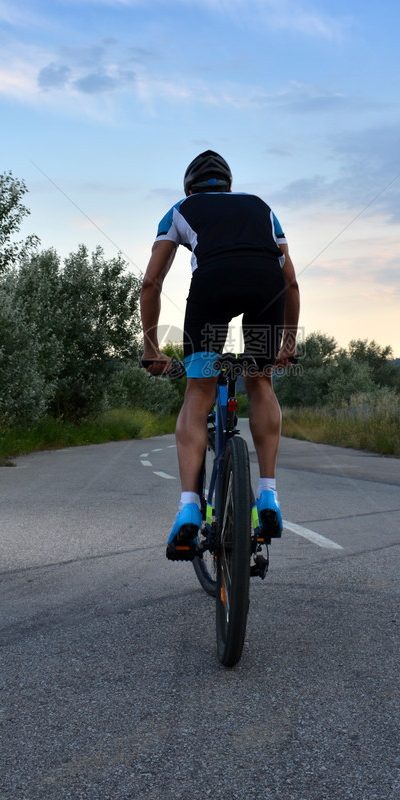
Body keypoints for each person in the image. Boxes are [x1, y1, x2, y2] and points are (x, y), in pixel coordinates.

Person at [140, 150, 300, 559]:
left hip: (213, 284)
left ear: (190, 187)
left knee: (198, 391)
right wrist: (288, 344)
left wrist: (151, 345)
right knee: (260, 381)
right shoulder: (261, 208)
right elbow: (292, 283)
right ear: (228, 186)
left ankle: (189, 507)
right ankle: (267, 495)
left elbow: (151, 284)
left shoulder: (180, 209)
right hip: (266, 284)